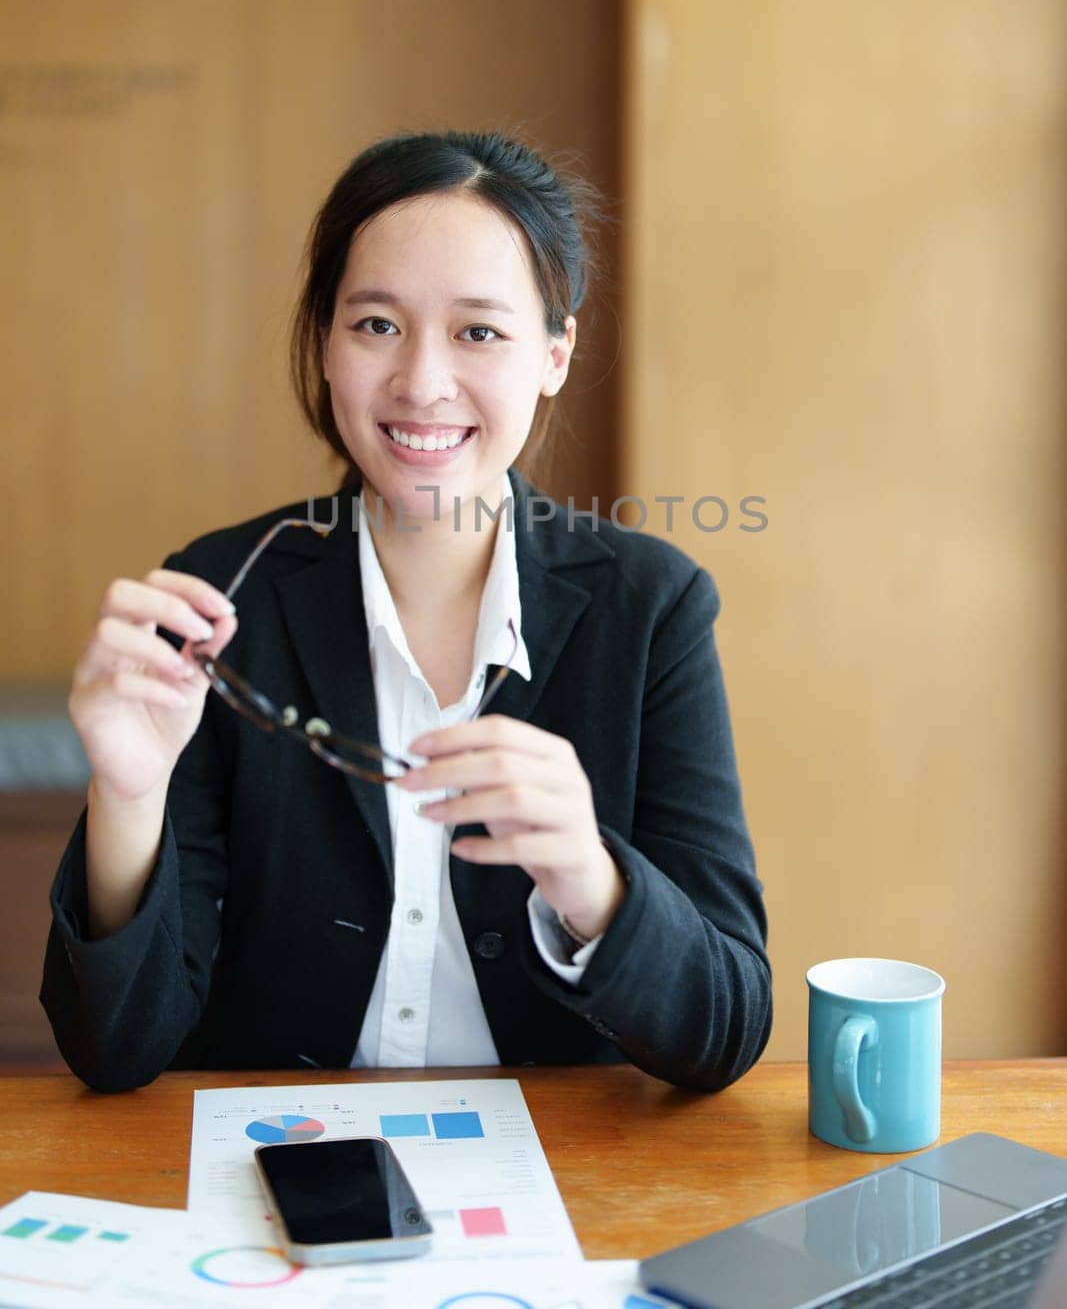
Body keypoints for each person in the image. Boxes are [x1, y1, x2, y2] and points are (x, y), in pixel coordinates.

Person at [41, 128, 772, 1094]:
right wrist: (129, 797)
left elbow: (724, 1034)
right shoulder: (223, 595)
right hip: (274, 1173)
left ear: (555, 353)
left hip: (564, 1186)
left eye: (479, 331)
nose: (422, 383)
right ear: (325, 342)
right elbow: (114, 1051)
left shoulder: (650, 607)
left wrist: (592, 883)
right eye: (376, 324)